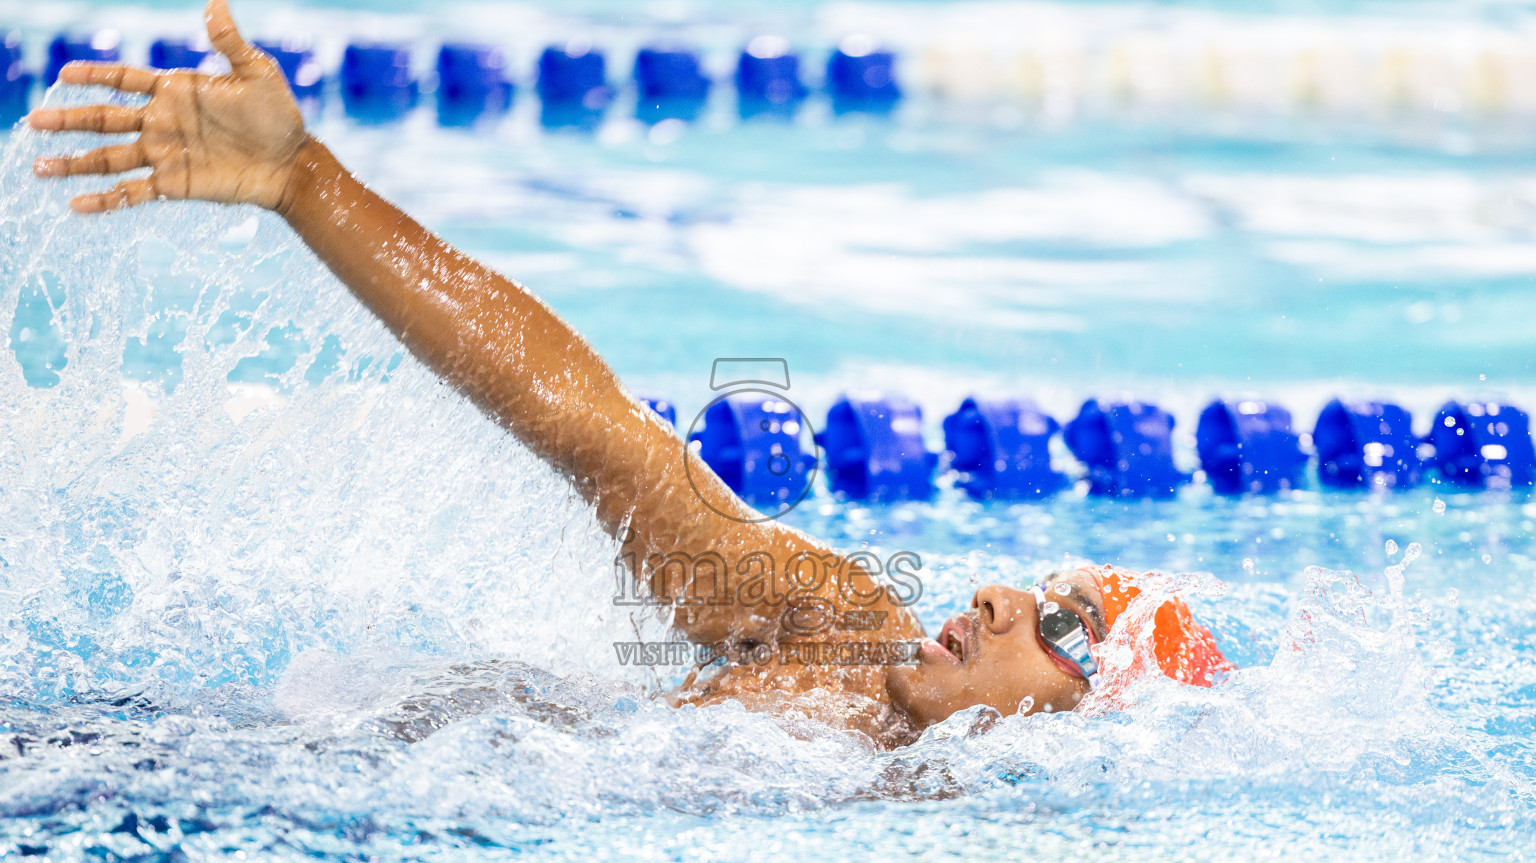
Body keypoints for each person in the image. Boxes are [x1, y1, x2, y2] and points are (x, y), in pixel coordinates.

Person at [27, 0, 1231, 749]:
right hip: (288, 765)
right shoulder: (842, 628)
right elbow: (598, 431)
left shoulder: (955, 823)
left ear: (1093, 722)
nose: (999, 597)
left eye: (1065, 622)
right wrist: (305, 181)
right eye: (1036, 587)